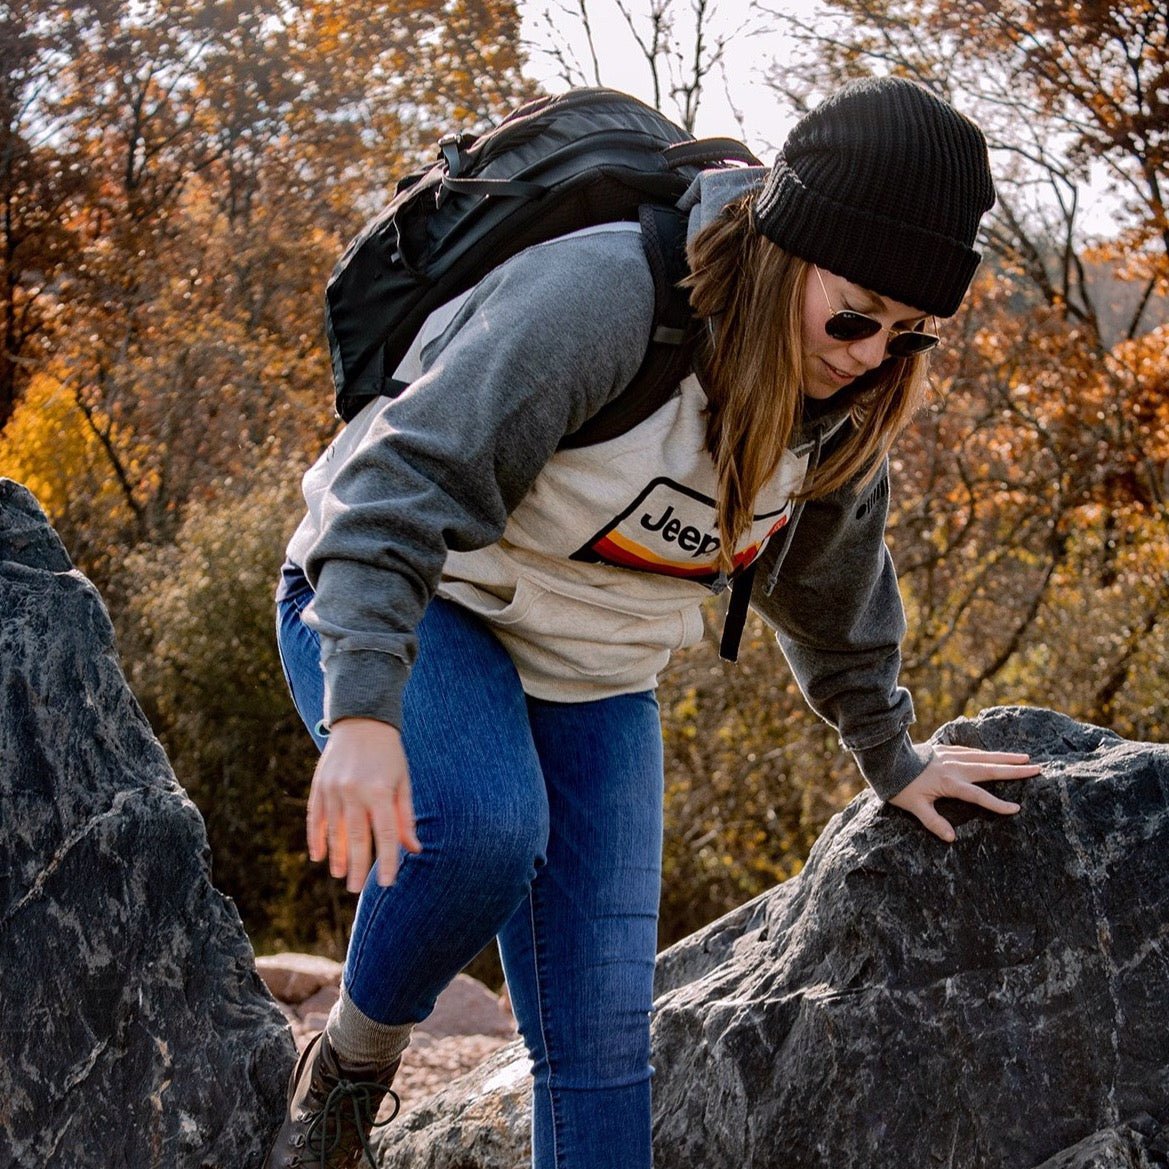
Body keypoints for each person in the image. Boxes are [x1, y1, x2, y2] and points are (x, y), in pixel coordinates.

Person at [266, 77, 1040, 1169]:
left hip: (592, 674)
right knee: (483, 826)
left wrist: (891, 753)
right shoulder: (603, 299)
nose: (870, 356)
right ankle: (347, 1065)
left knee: (600, 1054)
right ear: (786, 250)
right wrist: (361, 711)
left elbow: (830, 592)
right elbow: (396, 490)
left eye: (909, 336)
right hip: (410, 598)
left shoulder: (843, 409)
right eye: (856, 314)